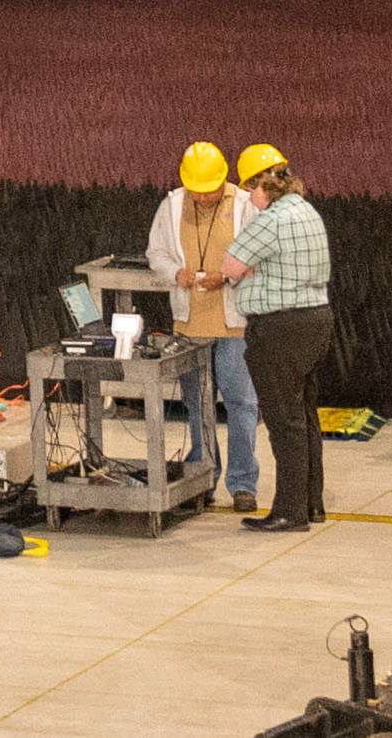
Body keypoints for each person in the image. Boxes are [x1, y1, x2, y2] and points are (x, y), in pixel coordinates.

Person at [147, 141, 262, 519]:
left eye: (210, 191)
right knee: (197, 402)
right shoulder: (173, 205)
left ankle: (243, 482)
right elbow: (156, 255)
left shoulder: (245, 205)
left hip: (234, 322)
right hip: (190, 320)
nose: (204, 198)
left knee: (241, 402)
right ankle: (203, 477)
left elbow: (257, 256)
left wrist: (225, 277)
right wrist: (175, 274)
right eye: (198, 192)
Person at [229, 144, 335, 531]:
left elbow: (230, 265)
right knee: (304, 416)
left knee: (284, 422)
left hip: (279, 330)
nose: (249, 197)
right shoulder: (307, 211)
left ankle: (289, 511)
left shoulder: (270, 220)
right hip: (315, 323)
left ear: (262, 185)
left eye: (248, 188)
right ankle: (311, 504)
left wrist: (249, 273)